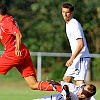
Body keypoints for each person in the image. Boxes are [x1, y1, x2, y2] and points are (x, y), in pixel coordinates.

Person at [0, 3, 62, 92]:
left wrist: (17, 49)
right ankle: (62, 88)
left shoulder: (6, 22)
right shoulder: (7, 19)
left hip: (13, 53)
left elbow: (18, 34)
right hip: (23, 52)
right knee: (33, 84)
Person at [62, 2, 90, 86]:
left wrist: (71, 59)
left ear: (72, 13)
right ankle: (75, 96)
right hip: (77, 58)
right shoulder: (68, 24)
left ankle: (88, 98)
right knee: (66, 80)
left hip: (81, 57)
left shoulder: (74, 25)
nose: (65, 14)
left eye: (67, 12)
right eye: (63, 12)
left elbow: (81, 44)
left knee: (79, 83)